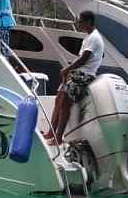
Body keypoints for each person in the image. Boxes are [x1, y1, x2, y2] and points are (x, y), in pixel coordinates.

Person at [43, 10, 105, 145]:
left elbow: (84, 59)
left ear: (89, 22)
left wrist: (67, 69)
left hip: (85, 76)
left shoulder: (95, 38)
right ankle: (50, 132)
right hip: (77, 74)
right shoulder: (88, 37)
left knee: (65, 104)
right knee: (59, 99)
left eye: (81, 22)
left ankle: (58, 138)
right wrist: (69, 72)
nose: (79, 24)